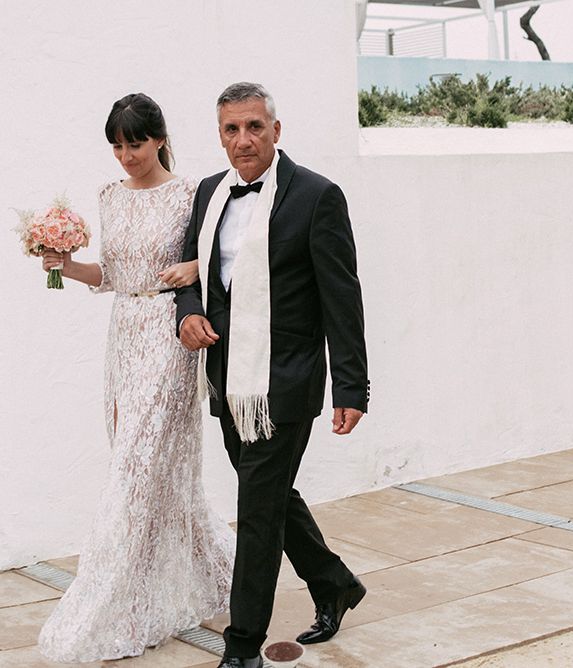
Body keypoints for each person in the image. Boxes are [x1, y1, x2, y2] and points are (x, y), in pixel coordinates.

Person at [176, 81, 369, 668]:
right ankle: (333, 581)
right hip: (228, 378)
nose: (244, 140)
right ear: (220, 136)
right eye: (231, 129)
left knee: (257, 512)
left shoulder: (316, 196)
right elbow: (193, 274)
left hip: (284, 381)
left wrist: (351, 387)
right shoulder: (210, 193)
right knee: (272, 496)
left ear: (276, 131)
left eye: (254, 126)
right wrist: (188, 316)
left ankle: (241, 650)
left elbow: (343, 298)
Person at [37, 93, 235, 662]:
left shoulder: (190, 192)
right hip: (123, 333)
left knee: (140, 465)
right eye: (117, 145)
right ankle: (204, 567)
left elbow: (223, 252)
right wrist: (63, 265)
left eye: (136, 143)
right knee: (138, 460)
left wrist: (194, 266)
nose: (126, 156)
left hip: (171, 334)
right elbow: (111, 272)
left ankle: (115, 594)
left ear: (159, 138)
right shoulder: (108, 197)